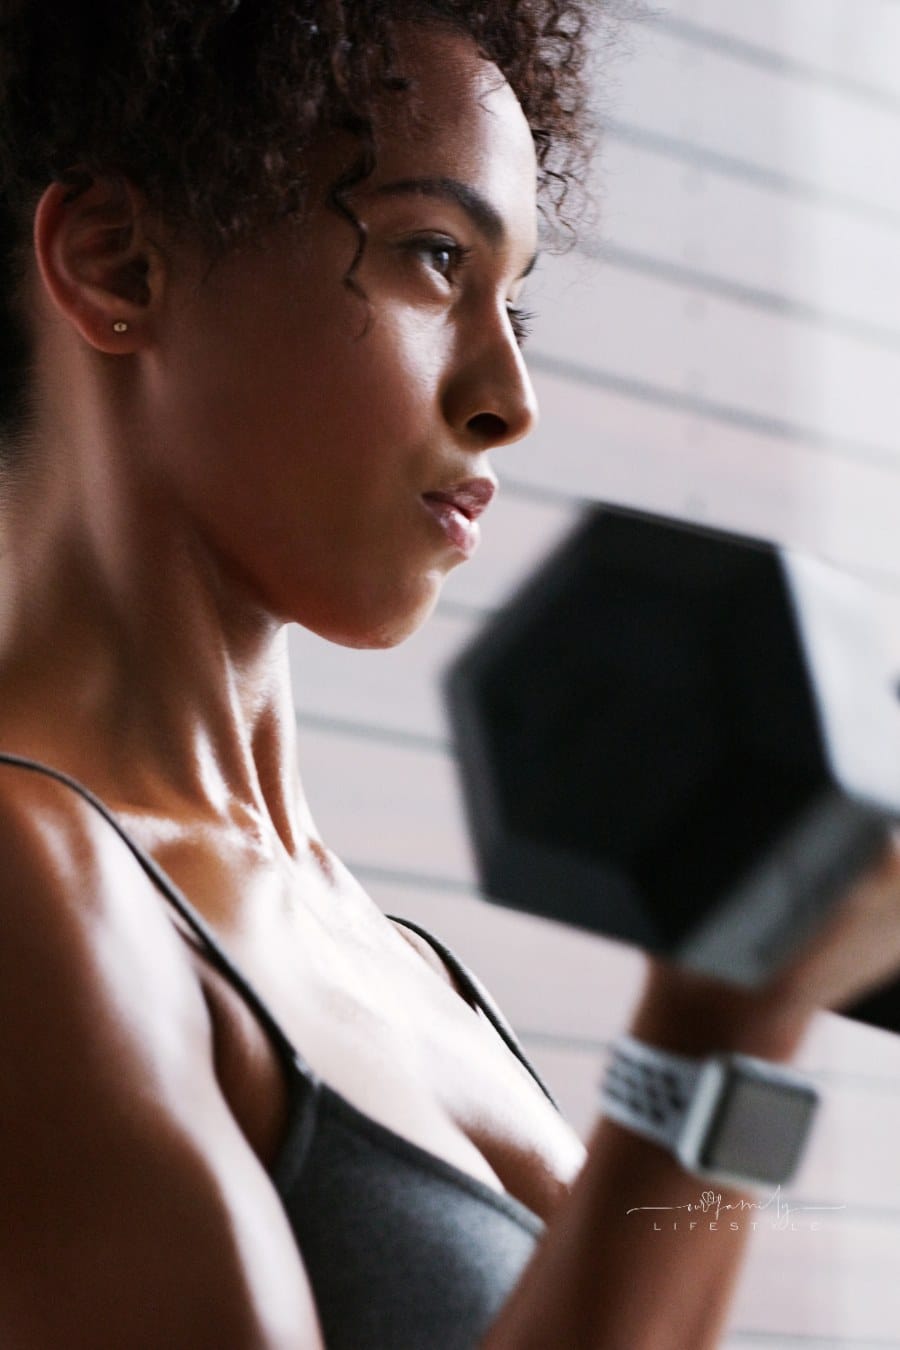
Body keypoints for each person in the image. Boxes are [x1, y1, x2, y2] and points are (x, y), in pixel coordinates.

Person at [1, 3, 899, 1347]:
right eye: (435, 257)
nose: (511, 392)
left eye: (515, 296)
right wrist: (721, 1021)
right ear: (118, 266)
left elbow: (661, 1256)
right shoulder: (29, 881)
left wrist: (747, 1045)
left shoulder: (396, 957)